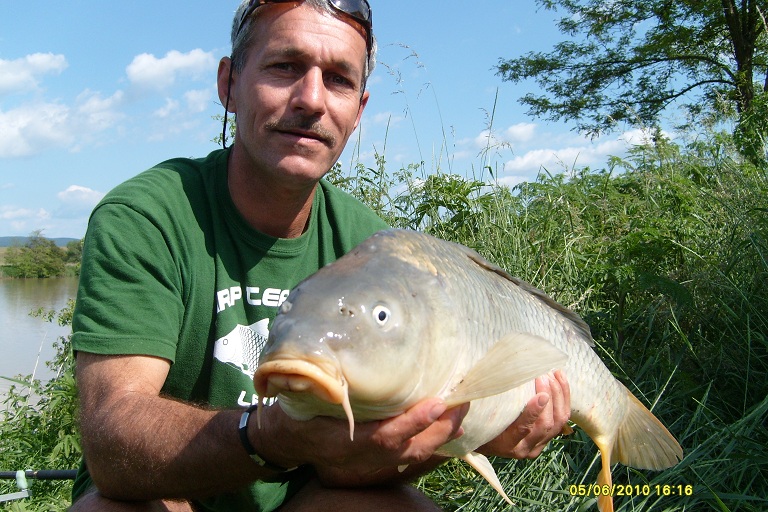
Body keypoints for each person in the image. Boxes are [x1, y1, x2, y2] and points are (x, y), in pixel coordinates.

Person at [69, 1, 571, 511]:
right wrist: (267, 436)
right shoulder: (147, 216)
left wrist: (472, 431)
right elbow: (112, 443)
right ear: (229, 85)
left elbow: (350, 468)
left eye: (338, 80)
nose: (311, 99)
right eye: (285, 67)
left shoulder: (376, 252)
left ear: (359, 111)